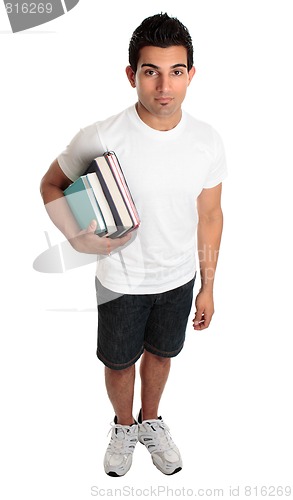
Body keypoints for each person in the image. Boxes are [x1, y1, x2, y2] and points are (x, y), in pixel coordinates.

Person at [40, 12, 227, 477]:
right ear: (132, 75)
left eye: (176, 71)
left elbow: (210, 216)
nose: (164, 86)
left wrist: (207, 286)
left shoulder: (206, 140)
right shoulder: (102, 135)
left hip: (179, 279)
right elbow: (51, 184)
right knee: (120, 363)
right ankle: (123, 426)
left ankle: (150, 421)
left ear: (190, 75)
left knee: (163, 356)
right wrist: (77, 236)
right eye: (151, 71)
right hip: (120, 280)